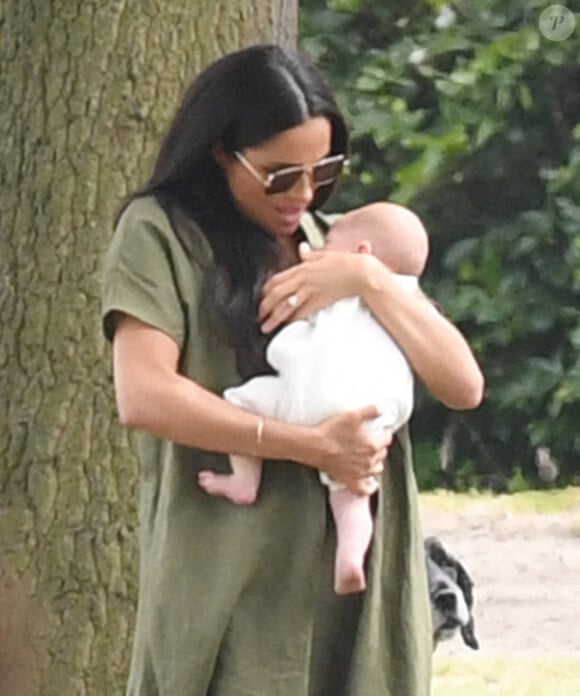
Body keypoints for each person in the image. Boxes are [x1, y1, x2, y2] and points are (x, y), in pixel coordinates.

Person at [102, 44, 484, 696]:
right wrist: (310, 446)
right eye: (281, 176)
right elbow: (145, 395)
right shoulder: (160, 233)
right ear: (222, 152)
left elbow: (462, 385)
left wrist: (369, 279)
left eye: (324, 171)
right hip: (232, 570)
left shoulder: (347, 246)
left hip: (357, 581)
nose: (304, 194)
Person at [198, 202, 428, 596]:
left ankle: (243, 480)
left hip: (309, 395)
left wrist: (327, 268)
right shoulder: (401, 296)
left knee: (240, 402)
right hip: (373, 413)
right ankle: (351, 557)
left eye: (331, 241)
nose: (320, 247)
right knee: (354, 494)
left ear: (362, 255)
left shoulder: (330, 282)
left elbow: (467, 385)